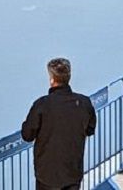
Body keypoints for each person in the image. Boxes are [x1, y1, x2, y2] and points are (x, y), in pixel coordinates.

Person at [20, 57, 96, 190]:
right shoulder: (84, 102)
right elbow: (90, 129)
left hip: (47, 174)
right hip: (72, 170)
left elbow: (27, 135)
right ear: (69, 77)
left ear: (52, 80)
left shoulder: (42, 105)